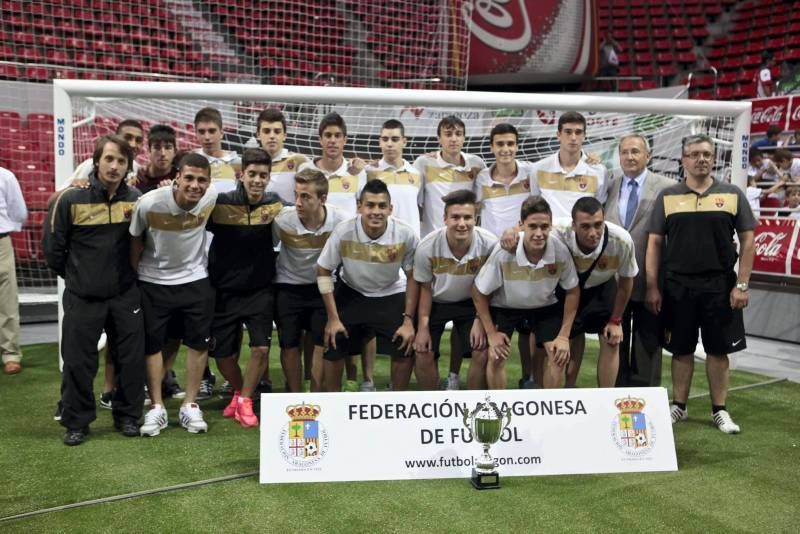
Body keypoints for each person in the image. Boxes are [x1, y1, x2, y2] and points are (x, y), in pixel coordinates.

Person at [646, 134, 756, 434]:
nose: (701, 159)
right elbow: (655, 243)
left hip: (720, 285)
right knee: (681, 349)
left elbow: (748, 241)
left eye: (707, 154)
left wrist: (742, 285)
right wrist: (653, 286)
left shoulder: (733, 194)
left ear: (714, 158)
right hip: (677, 286)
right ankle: (679, 406)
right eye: (694, 154)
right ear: (684, 159)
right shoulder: (667, 197)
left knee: (718, 351)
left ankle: (719, 410)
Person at [42, 135, 145, 445]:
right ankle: (77, 421)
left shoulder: (138, 200)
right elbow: (52, 250)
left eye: (121, 161)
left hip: (126, 295)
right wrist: (78, 278)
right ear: (96, 161)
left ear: (128, 166)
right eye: (109, 159)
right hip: (82, 296)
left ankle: (127, 417)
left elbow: (144, 244)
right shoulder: (71, 199)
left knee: (130, 359)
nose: (114, 166)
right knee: (77, 362)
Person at [130, 153, 218, 436]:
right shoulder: (149, 203)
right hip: (153, 281)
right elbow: (135, 240)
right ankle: (156, 407)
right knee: (152, 345)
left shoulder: (211, 196)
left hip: (195, 279)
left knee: (198, 343)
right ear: (177, 177)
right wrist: (137, 276)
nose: (195, 185)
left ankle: (190, 406)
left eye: (201, 179)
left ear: (209, 182)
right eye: (189, 178)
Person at [206, 148, 283, 427]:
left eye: (263, 175)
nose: (257, 180)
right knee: (223, 356)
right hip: (224, 291)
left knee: (261, 349)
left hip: (260, 290)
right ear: (241, 175)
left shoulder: (275, 204)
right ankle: (240, 392)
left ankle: (246, 400)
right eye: (252, 174)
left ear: (269, 178)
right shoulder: (219, 204)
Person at [317, 179, 418, 391]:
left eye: (382, 206)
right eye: (370, 205)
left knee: (406, 344)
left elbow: (413, 277)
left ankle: (396, 401)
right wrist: (333, 318)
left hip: (390, 292)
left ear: (391, 209)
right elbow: (323, 269)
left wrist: (408, 321)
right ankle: (334, 404)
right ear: (359, 206)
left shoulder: (406, 233)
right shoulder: (344, 231)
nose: (376, 211)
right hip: (352, 290)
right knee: (333, 339)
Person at [472, 196, 579, 390]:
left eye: (544, 227)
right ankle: (499, 411)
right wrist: (490, 334)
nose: (539, 233)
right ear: (521, 226)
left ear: (551, 226)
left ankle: (550, 412)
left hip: (545, 306)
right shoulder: (504, 251)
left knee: (558, 356)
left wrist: (563, 336)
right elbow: (479, 292)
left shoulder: (560, 251)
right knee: (495, 355)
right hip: (505, 306)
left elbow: (573, 291)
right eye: (533, 226)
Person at [414, 115, 485, 388]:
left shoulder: (476, 166)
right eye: (447, 133)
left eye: (458, 133)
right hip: (434, 251)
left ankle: (454, 377)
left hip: (466, 250)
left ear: (464, 138)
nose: (453, 138)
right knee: (429, 330)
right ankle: (430, 391)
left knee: (462, 328)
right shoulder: (424, 163)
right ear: (439, 138)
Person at [604, 134, 674, 387]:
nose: (630, 156)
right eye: (624, 152)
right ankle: (616, 395)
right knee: (614, 341)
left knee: (648, 343)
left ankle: (645, 399)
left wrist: (657, 284)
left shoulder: (668, 187)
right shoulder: (609, 185)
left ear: (648, 156)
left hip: (649, 278)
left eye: (635, 151)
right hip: (614, 280)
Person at [272, 169, 349, 392]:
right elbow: (267, 248)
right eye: (296, 195)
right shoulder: (282, 220)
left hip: (322, 288)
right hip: (288, 286)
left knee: (321, 342)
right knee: (289, 344)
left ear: (323, 198)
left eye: (305, 196)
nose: (298, 202)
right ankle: (295, 396)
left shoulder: (340, 221)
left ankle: (315, 397)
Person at [413, 190, 496, 390]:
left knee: (482, 351)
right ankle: (435, 404)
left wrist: (479, 319)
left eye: (467, 217)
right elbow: (424, 289)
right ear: (445, 219)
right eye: (455, 217)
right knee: (422, 352)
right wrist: (423, 328)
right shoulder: (427, 247)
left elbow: (490, 288)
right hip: (436, 301)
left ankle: (472, 405)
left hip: (471, 303)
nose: (461, 223)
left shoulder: (490, 244)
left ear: (476, 219)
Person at [475, 122, 537, 389]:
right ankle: (492, 390)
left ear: (517, 145)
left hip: (526, 255)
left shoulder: (531, 174)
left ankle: (529, 379)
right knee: (497, 323)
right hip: (494, 259)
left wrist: (518, 230)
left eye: (510, 143)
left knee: (530, 326)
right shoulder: (480, 179)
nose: (505, 149)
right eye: (500, 144)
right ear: (492, 147)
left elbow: (538, 211)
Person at [551, 198, 637, 388]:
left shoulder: (622, 240)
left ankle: (606, 400)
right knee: (564, 342)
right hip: (567, 289)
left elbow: (626, 281)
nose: (593, 233)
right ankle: (566, 391)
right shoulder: (556, 230)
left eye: (598, 225)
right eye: (585, 226)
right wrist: (512, 232)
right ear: (573, 225)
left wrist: (616, 321)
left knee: (612, 339)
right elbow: (524, 228)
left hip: (602, 287)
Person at [530, 111, 607, 219]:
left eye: (578, 132)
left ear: (584, 136)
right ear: (558, 135)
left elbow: (599, 210)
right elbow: (534, 207)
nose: (573, 137)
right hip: (549, 235)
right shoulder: (538, 168)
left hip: (582, 235)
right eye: (568, 132)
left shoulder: (598, 171)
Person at [363, 119, 422, 237]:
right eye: (385, 139)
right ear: (379, 142)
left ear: (404, 142)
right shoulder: (368, 172)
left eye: (395, 139)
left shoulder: (417, 173)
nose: (389, 144)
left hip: (411, 243)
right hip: (380, 242)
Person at [299, 112, 364, 215]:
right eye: (328, 135)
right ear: (320, 140)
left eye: (337, 135)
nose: (333, 140)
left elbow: (363, 210)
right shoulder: (305, 170)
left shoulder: (358, 173)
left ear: (345, 140)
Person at [0, 166, 27, 375]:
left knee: (6, 298)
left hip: (0, 242)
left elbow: (19, 211)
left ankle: (10, 353)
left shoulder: (6, 176)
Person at [67, 119, 144, 185]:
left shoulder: (136, 168)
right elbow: (59, 197)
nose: (133, 144)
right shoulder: (90, 165)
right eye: (127, 138)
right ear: (116, 138)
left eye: (138, 140)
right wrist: (73, 188)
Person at [256, 108, 309, 204]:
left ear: (284, 135)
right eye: (266, 131)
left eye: (277, 131)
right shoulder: (249, 163)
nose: (272, 136)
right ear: (258, 135)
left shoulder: (299, 161)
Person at [193, 106, 241, 193]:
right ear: (196, 134)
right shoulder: (190, 163)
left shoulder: (237, 163)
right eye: (201, 132)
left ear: (221, 133)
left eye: (212, 131)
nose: (207, 137)